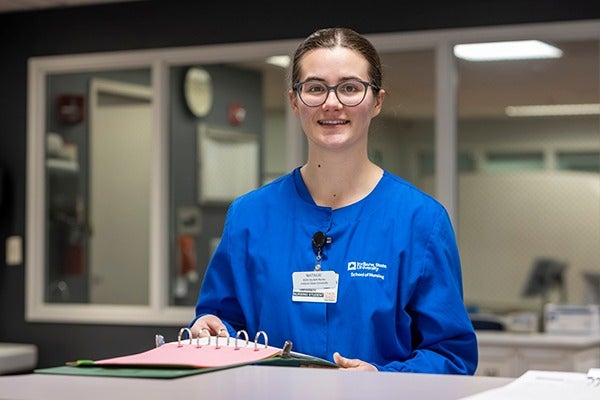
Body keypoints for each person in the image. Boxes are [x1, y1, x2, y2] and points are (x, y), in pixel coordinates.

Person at [189, 27, 478, 374]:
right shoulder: (249, 217)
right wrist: (209, 328)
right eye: (314, 88)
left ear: (377, 101)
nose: (332, 102)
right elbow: (222, 322)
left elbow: (451, 355)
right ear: (295, 101)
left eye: (350, 88)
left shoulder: (421, 221)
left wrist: (383, 381)